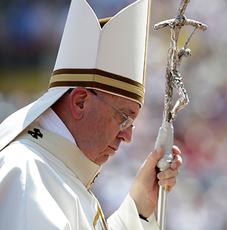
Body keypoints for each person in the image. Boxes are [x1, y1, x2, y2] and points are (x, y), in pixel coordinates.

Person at [0, 0, 182, 229]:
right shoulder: (26, 174)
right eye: (124, 117)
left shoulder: (56, 171)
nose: (128, 136)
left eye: (132, 123)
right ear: (80, 102)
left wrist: (139, 209)